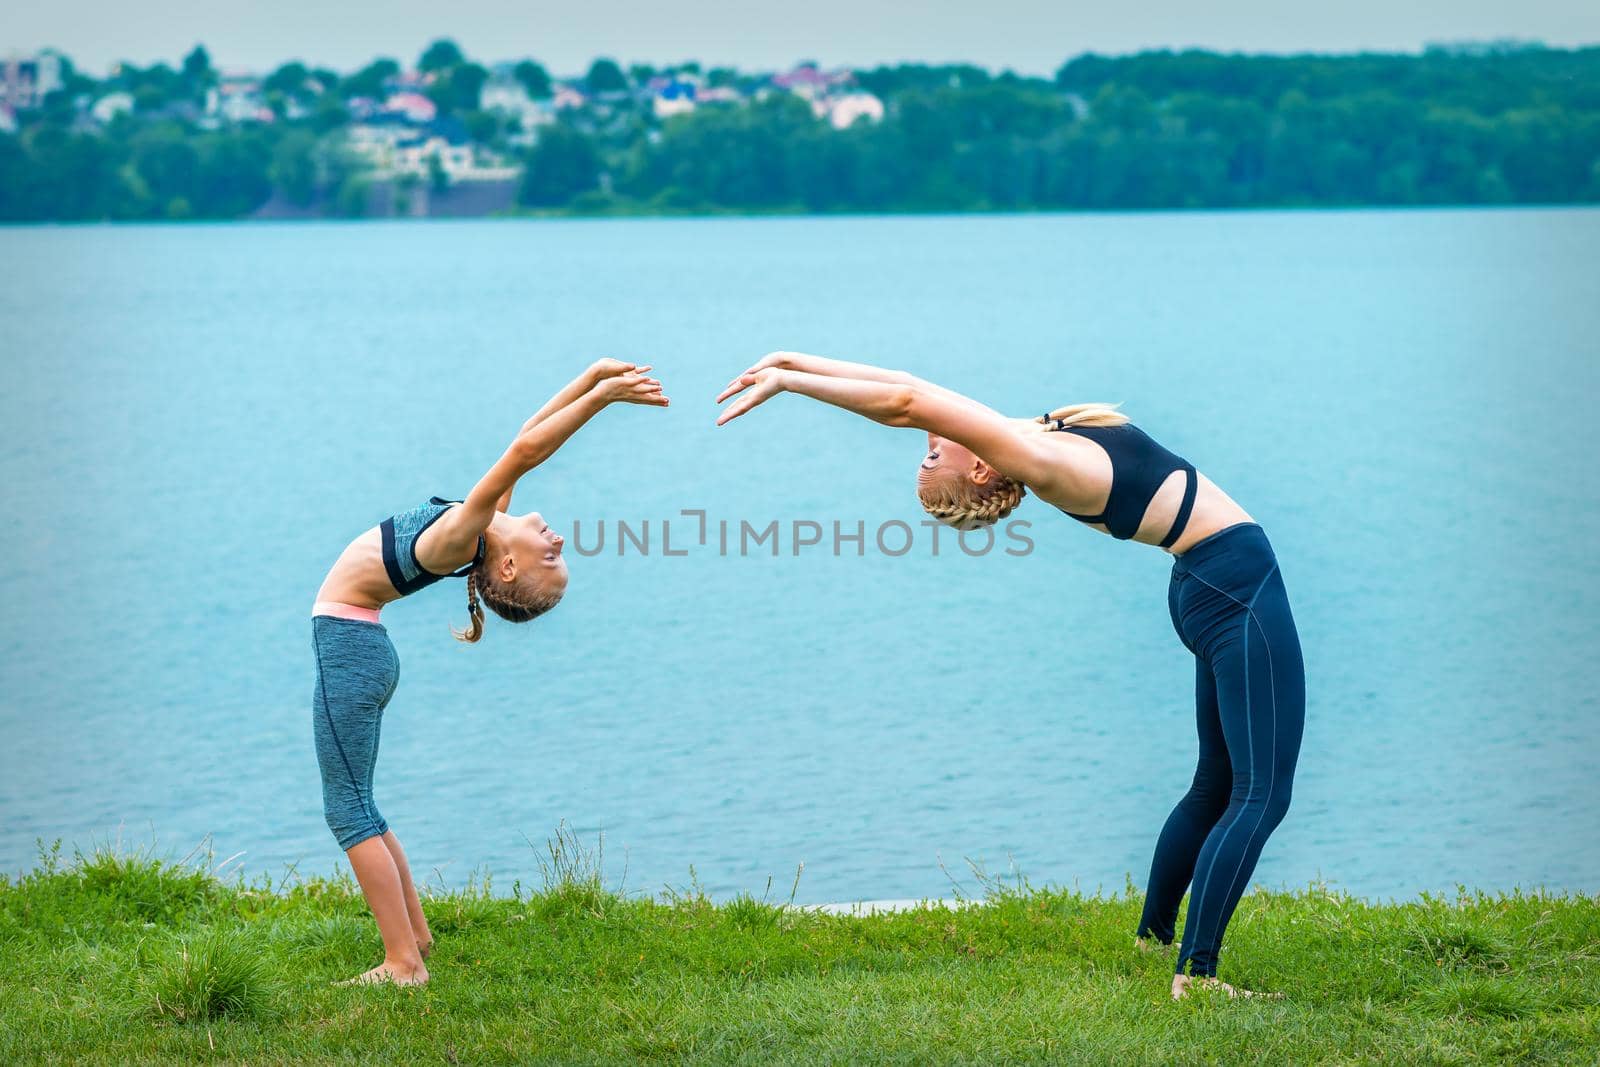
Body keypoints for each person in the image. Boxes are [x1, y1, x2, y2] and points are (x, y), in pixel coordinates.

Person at [716, 351, 1303, 999]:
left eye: (926, 455)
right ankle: (1196, 976)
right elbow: (910, 406)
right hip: (1234, 586)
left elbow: (910, 388)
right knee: (1259, 794)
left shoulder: (1023, 437)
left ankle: (1152, 939)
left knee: (1216, 785)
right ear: (979, 469)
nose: (926, 447)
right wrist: (790, 385)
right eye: (931, 460)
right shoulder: (1042, 463)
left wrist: (795, 360)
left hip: (1206, 584)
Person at [310, 359, 668, 985]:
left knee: (347, 811)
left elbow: (525, 448)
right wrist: (590, 379)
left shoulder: (461, 535)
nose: (557, 540)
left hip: (349, 648)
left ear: (506, 570)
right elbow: (528, 438)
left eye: (551, 557)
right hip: (362, 648)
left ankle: (401, 966)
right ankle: (415, 938)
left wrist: (605, 399)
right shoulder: (487, 525)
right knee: (361, 804)